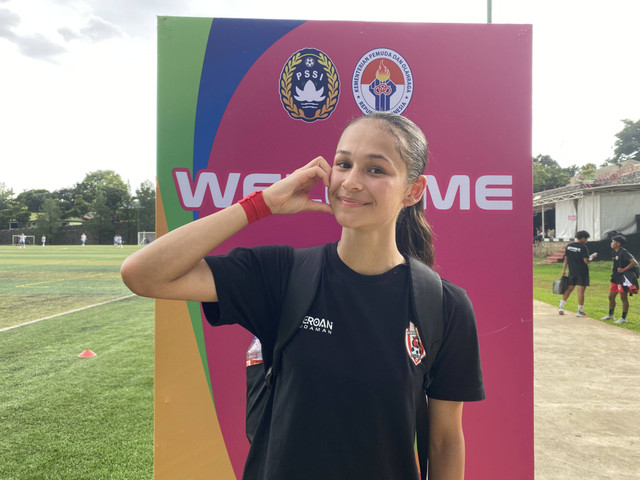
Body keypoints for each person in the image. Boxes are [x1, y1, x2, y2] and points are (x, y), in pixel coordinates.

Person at [121, 112, 485, 480]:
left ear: (413, 190)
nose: (351, 182)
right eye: (343, 164)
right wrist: (261, 204)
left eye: (376, 170)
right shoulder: (283, 274)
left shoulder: (443, 306)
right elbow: (143, 274)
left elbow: (444, 441)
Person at [601, 235, 639, 324]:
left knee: (623, 298)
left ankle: (623, 318)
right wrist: (614, 267)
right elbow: (618, 262)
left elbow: (634, 262)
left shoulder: (624, 252)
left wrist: (624, 269)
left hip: (622, 279)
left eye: (613, 242)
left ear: (618, 243)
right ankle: (611, 315)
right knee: (611, 297)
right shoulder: (614, 252)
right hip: (615, 278)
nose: (611, 243)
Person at [558, 230, 597, 317]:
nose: (586, 240)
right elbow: (586, 261)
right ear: (583, 238)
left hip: (572, 271)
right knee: (580, 292)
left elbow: (566, 259)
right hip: (582, 272)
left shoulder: (569, 246)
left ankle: (561, 306)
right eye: (586, 238)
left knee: (568, 289)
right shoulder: (583, 247)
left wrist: (563, 270)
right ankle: (579, 311)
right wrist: (592, 257)